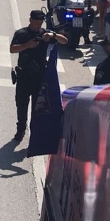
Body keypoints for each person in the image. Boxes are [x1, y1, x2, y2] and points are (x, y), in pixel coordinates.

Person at [8, 10, 67, 143]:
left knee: (37, 107)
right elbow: (12, 49)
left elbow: (64, 41)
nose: (37, 25)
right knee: (21, 104)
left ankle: (35, 131)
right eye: (35, 22)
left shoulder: (44, 33)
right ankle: (21, 128)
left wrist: (53, 35)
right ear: (30, 20)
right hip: (24, 75)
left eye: (40, 23)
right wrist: (27, 45)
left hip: (39, 76)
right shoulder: (21, 33)